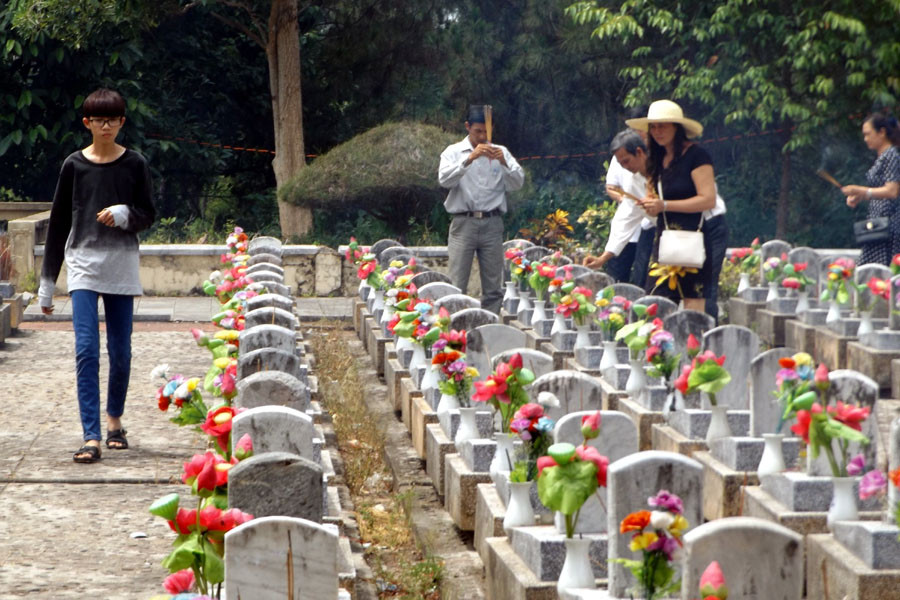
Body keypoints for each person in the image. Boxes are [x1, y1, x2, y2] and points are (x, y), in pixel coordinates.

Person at [39, 88, 156, 463]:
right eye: (98, 120)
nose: (106, 126)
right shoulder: (74, 165)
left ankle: (114, 421)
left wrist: (125, 214)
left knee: (120, 352)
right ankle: (90, 436)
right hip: (83, 265)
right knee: (86, 349)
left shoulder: (135, 163)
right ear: (87, 123)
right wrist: (47, 284)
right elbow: (58, 224)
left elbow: (148, 214)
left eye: (113, 119)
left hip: (121, 266)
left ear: (122, 122)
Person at [625, 100, 716, 312]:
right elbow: (654, 198)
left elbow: (708, 199)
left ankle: (693, 346)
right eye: (653, 127)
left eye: (663, 126)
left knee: (693, 307)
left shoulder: (696, 155)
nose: (657, 132)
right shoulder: (656, 159)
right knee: (655, 305)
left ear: (677, 127)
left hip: (694, 238)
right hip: (664, 240)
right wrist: (651, 205)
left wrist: (664, 205)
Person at [438, 105, 525, 313]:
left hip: (492, 223)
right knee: (457, 283)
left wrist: (504, 162)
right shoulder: (453, 152)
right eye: (478, 131)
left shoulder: (501, 152)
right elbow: (444, 180)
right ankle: (453, 331)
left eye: (487, 131)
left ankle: (490, 328)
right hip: (463, 222)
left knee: (494, 286)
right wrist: (469, 159)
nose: (483, 136)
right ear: (468, 127)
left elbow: (517, 183)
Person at [583, 130, 652, 280]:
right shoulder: (635, 183)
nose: (625, 167)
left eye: (626, 161)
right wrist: (602, 259)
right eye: (621, 164)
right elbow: (624, 220)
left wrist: (664, 205)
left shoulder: (666, 166)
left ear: (639, 152)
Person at [841, 112, 900, 266]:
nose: (866, 139)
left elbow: (892, 191)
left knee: (882, 270)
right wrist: (860, 196)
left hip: (889, 224)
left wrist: (861, 190)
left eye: (868, 134)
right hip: (877, 223)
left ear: (882, 132)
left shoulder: (891, 155)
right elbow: (879, 191)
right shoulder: (883, 156)